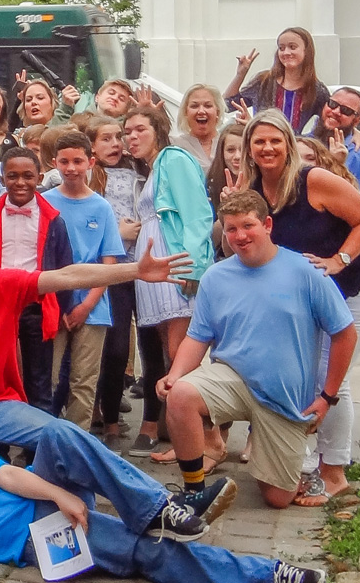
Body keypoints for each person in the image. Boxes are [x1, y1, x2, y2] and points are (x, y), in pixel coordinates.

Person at [0, 204, 235, 524]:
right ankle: (44, 510)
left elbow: (68, 275)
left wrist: (135, 270)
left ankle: (163, 505)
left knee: (68, 436)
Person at [0, 412, 327, 583]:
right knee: (149, 555)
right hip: (36, 541)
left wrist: (62, 496)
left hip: (45, 502)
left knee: (62, 435)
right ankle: (269, 574)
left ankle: (159, 508)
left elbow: (11, 477)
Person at [158, 189, 356, 511]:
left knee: (277, 499)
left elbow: (345, 334)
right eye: (231, 228)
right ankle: (195, 494)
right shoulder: (216, 277)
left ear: (267, 224)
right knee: (181, 395)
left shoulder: (306, 272)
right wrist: (174, 375)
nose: (239, 236)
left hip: (284, 396)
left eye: (248, 226)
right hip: (232, 378)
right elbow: (197, 337)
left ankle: (274, 466)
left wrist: (327, 396)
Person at [237, 110, 360, 506]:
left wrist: (340, 260)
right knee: (304, 375)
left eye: (275, 140)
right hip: (308, 296)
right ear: (248, 148)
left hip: (353, 286)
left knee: (332, 377)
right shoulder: (253, 188)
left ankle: (333, 472)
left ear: (288, 143)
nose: (267, 148)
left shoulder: (313, 179)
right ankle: (299, 465)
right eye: (258, 141)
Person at [122, 106, 215, 461]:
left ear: (158, 129)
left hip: (175, 265)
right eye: (127, 131)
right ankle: (197, 436)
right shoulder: (153, 169)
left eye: (139, 129)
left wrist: (193, 265)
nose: (132, 136)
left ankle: (207, 440)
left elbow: (197, 214)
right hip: (156, 270)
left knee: (181, 354)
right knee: (170, 351)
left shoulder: (174, 159)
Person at [0, 148, 73, 414]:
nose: (20, 183)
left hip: (36, 306)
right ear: (2, 180)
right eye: (13, 176)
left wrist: (58, 308)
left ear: (39, 177)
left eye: (28, 176)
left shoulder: (54, 221)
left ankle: (36, 451)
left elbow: (64, 267)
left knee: (39, 381)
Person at [42, 133, 125, 430]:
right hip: (53, 302)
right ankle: (41, 439)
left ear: (90, 162)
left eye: (78, 161)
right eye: (64, 161)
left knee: (83, 381)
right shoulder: (45, 202)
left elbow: (109, 261)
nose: (71, 168)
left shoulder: (101, 207)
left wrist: (86, 305)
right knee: (48, 378)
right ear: (54, 163)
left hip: (93, 305)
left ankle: (77, 442)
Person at [84, 117, 149, 445]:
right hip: (107, 272)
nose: (115, 144)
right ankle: (105, 415)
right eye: (105, 138)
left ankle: (117, 413)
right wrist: (117, 235)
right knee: (110, 348)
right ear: (92, 145)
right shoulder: (89, 179)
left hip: (141, 268)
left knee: (135, 348)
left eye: (118, 137)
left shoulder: (139, 175)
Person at [310, 87, 360, 257]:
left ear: (356, 121)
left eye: (346, 110)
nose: (335, 111)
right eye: (333, 104)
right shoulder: (304, 143)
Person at [225, 27, 329, 133]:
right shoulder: (263, 82)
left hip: (295, 148)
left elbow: (328, 124)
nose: (286, 52)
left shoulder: (317, 90)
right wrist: (240, 74)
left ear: (307, 50)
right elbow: (227, 105)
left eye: (292, 47)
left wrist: (309, 141)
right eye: (281, 48)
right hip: (261, 144)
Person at [172, 84, 227, 172]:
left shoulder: (229, 142)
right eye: (194, 106)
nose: (201, 111)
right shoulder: (174, 145)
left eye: (208, 106)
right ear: (186, 112)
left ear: (218, 111)